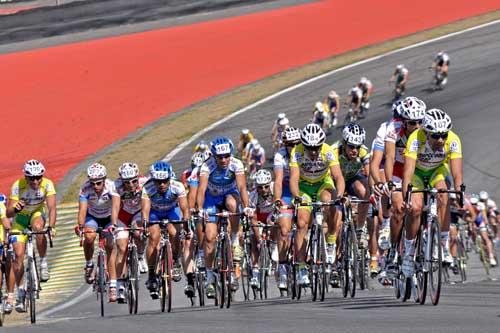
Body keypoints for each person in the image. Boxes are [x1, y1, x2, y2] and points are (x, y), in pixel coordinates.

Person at [401, 109, 463, 277]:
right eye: (436, 136)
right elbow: (407, 172)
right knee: (415, 208)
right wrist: (407, 195)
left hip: (437, 171)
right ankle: (408, 252)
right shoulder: (415, 139)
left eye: (444, 135)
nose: (441, 140)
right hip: (417, 174)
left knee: (444, 194)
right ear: (426, 133)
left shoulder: (453, 140)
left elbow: (457, 174)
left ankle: (443, 244)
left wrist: (459, 195)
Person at [196, 137, 252, 298]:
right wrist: (199, 209)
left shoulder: (236, 164)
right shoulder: (207, 166)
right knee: (210, 238)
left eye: (226, 156)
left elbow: (242, 187)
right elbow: (201, 189)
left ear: (231, 155)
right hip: (211, 199)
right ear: (213, 156)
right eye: (220, 157)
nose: (223, 160)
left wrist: (247, 206)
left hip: (229, 194)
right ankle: (209, 277)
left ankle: (234, 240)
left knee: (233, 205)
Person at [289, 123, 345, 286]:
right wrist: (296, 196)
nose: (313, 152)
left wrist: (340, 195)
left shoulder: (328, 151)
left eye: (316, 148)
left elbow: (338, 176)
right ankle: (301, 267)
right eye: (310, 148)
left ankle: (330, 243)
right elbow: (293, 178)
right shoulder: (297, 152)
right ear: (304, 145)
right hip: (304, 186)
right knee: (301, 222)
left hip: (322, 183)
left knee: (330, 201)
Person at [383, 96, 426, 276]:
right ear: (403, 121)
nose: (416, 127)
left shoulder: (426, 129)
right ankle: (393, 249)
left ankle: (426, 242)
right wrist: (390, 183)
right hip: (398, 171)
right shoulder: (393, 129)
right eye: (411, 123)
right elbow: (390, 158)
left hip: (418, 171)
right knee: (399, 208)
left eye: (419, 122)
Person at [7, 159, 57, 312]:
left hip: (36, 213)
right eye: (31, 178)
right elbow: (8, 212)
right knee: (18, 255)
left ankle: (42, 262)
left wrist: (52, 226)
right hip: (20, 219)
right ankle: (20, 292)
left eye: (39, 177)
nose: (35, 181)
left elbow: (52, 207)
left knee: (38, 228)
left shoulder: (47, 184)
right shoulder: (18, 186)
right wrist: (15, 209)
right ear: (26, 177)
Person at [141, 161, 191, 299]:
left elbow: (184, 208)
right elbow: (145, 210)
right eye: (158, 182)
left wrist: (186, 223)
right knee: (154, 237)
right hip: (154, 212)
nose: (162, 184)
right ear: (153, 180)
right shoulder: (147, 188)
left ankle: (175, 261)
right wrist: (145, 224)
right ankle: (151, 273)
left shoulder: (178, 186)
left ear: (170, 178)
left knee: (175, 233)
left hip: (171, 211)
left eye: (164, 181)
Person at [75, 163, 121, 302]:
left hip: (108, 217)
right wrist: (80, 226)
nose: (95, 186)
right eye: (93, 183)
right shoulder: (85, 188)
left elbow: (115, 206)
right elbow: (82, 210)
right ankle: (89, 263)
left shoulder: (112, 186)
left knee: (110, 247)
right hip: (92, 217)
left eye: (98, 183)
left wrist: (113, 224)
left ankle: (113, 286)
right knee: (89, 237)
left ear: (104, 179)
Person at [332, 123, 373, 273]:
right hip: (336, 182)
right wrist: (341, 195)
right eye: (351, 146)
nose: (354, 150)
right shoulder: (334, 151)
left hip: (352, 179)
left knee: (365, 193)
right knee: (336, 223)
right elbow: (332, 178)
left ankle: (360, 229)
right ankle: (335, 261)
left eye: (357, 146)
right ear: (344, 143)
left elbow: (369, 174)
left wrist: (373, 192)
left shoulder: (363, 152)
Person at [114, 162, 149, 302]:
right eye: (126, 182)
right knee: (122, 248)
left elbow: (147, 203)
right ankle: (120, 283)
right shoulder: (116, 187)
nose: (131, 185)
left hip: (137, 214)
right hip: (122, 215)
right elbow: (115, 206)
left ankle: (140, 256)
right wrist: (114, 223)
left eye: (134, 181)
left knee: (139, 232)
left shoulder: (145, 183)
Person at [273, 127, 300, 289]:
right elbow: (278, 180)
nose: (295, 147)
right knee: (284, 230)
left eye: (298, 143)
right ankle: (282, 266)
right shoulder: (280, 156)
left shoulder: (304, 151)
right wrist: (277, 200)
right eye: (291, 144)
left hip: (302, 188)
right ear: (285, 144)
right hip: (286, 192)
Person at [248, 169, 277, 288]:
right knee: (254, 241)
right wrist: (258, 238)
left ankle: (274, 245)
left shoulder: (275, 189)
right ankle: (255, 273)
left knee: (277, 226)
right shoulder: (253, 195)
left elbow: (280, 208)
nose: (263, 190)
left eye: (266, 187)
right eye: (260, 187)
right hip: (258, 216)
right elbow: (253, 217)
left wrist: (273, 220)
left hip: (272, 213)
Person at [0, 194, 14, 314]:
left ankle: (10, 296)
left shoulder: (1, 205)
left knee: (8, 264)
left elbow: (6, 224)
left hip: (3, 237)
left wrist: (6, 239)